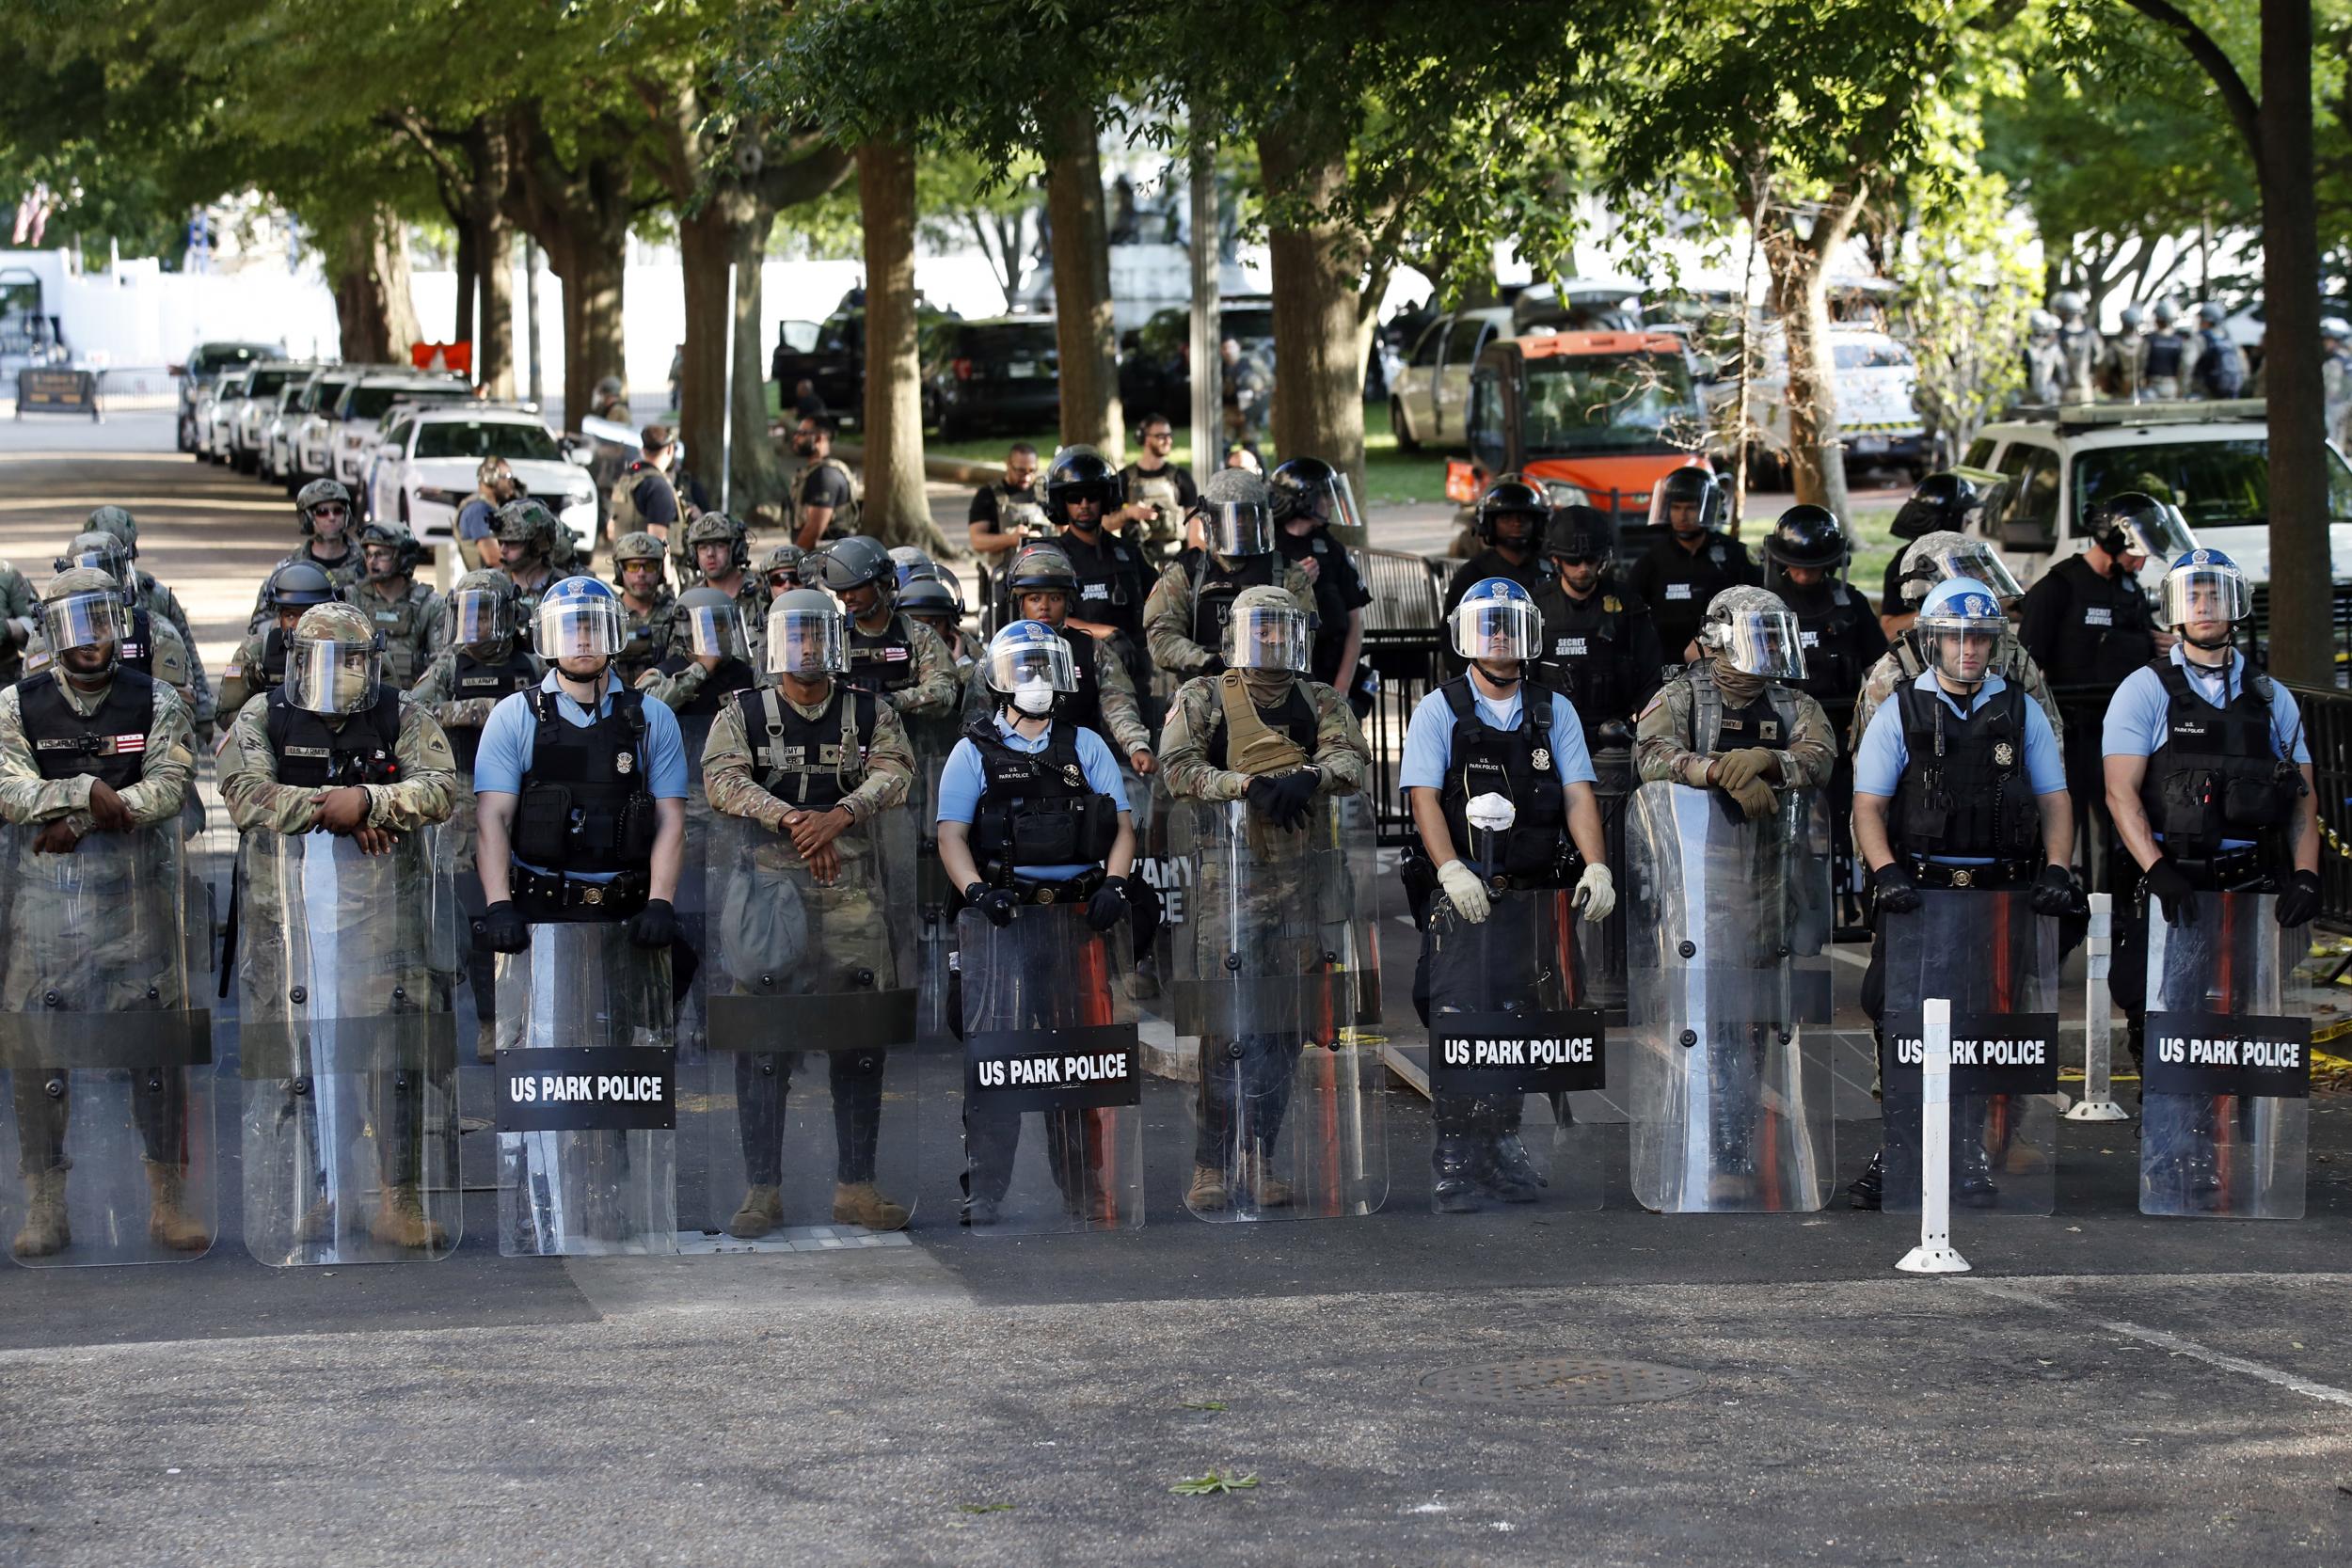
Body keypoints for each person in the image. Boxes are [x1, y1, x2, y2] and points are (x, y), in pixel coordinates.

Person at [217, 601, 460, 1253]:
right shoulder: (263, 714)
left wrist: (377, 799)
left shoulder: (399, 712)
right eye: (324, 660)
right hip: (288, 918)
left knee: (392, 1052)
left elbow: (440, 785)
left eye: (351, 660)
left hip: (380, 918)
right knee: (305, 1057)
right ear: (296, 661)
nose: (339, 673)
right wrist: (340, 810)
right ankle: (333, 1189)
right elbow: (243, 792)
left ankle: (397, 1196)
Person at [1847, 578, 2078, 1209]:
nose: (1969, 649)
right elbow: (1869, 804)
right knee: (1904, 1024)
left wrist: (2058, 867)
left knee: (1987, 1025)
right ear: (1933, 642)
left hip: (2000, 896)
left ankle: (1970, 1149)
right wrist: (1885, 869)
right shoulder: (1901, 708)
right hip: (1920, 896)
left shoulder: (2020, 709)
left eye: (1979, 637)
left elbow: (2055, 797)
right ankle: (1902, 1149)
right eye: (1955, 637)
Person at [700, 589, 918, 1235]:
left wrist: (841, 816)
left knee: (859, 1034)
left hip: (852, 889)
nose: (807, 647)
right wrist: (796, 820)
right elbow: (721, 780)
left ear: (836, 640)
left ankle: (857, 1184)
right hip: (770, 889)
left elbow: (898, 772)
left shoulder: (870, 710)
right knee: (762, 1041)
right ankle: (761, 1189)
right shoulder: (740, 712)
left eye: (818, 635)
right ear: (774, 644)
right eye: (795, 636)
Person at [0, 567, 203, 1259]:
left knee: (154, 1055)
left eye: (102, 621)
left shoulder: (156, 700)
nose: (91, 640)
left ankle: (167, 1201)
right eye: (74, 625)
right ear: (53, 632)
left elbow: (169, 785)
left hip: (138, 906)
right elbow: (8, 787)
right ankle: (46, 1203)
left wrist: (81, 817)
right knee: (39, 1058)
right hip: (46, 914)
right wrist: (87, 790)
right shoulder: (16, 704)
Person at [1398, 578, 1615, 1210]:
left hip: (1534, 896)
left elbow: (1577, 793)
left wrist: (1595, 866)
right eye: (1488, 625)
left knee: (1524, 1021)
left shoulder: (1553, 709)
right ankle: (1457, 1157)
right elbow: (1422, 797)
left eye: (1509, 625)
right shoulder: (1441, 708)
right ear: (1468, 635)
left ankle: (1500, 1147)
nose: (1499, 637)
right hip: (1464, 896)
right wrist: (1449, 870)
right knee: (1464, 1022)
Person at [1155, 584, 1371, 1212]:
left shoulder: (1320, 699)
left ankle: (1263, 1155)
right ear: (1241, 634)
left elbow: (1352, 761)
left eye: (1282, 629)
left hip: (1304, 885)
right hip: (1231, 883)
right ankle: (1210, 1164)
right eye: (1262, 629)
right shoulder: (1205, 697)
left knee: (1285, 1027)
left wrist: (1310, 776)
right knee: (1227, 1030)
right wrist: (1244, 786)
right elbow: (1176, 768)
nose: (1272, 640)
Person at [935, 620, 1143, 1227]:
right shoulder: (972, 750)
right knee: (998, 1056)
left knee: (1078, 1058)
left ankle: (1085, 1187)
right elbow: (951, 834)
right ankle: (987, 1191)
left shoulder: (1086, 744)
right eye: (1024, 669)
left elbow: (1122, 826)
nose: (1035, 682)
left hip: (1077, 919)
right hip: (1003, 921)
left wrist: (1116, 883)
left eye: (1045, 669)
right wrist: (977, 892)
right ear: (1001, 679)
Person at [2102, 547, 2319, 1080]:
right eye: (2192, 596)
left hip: (2249, 885)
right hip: (2173, 884)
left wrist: (2308, 875)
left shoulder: (2270, 698)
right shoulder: (2145, 689)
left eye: (2215, 595)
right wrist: (2156, 870)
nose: (2204, 606)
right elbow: (2120, 795)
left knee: (2242, 1029)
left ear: (2235, 606)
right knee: (2160, 1020)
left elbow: (2303, 802)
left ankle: (2234, 1147)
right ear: (2174, 610)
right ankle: (2171, 1141)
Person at [411, 571, 545, 1032]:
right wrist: (478, 711)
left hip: (530, 796)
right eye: (467, 614)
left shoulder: (532, 665)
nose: (475, 626)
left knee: (531, 901)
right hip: (466, 796)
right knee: (478, 913)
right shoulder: (450, 668)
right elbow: (412, 712)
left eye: (484, 614)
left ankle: (533, 1018)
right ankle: (491, 1021)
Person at [2020, 491, 2173, 885]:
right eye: (2136, 551)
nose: (2140, 562)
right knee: (2072, 824)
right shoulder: (2059, 588)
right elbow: (2028, 667)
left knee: (2119, 823)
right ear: (2113, 539)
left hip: (2124, 733)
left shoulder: (2129, 590)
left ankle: (2116, 902)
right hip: (2074, 732)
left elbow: (2133, 639)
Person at [1853, 531, 2062, 747]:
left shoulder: (2011, 655)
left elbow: (2048, 736)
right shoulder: (1897, 668)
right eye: (1968, 573)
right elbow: (1871, 758)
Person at [1635, 585, 1836, 809]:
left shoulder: (1798, 706)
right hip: (1694, 835)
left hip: (1774, 836)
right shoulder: (1680, 698)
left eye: (1776, 637)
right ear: (1723, 639)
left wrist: (1769, 760)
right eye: (1761, 636)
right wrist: (1718, 773)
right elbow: (1652, 757)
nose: (1772, 646)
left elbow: (1821, 762)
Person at [965, 545, 1154, 776]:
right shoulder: (999, 653)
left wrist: (1136, 746)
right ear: (1020, 603)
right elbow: (977, 715)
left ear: (1068, 602)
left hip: (1081, 764)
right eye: (1035, 598)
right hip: (1010, 767)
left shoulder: (1093, 650)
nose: (1044, 606)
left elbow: (1118, 704)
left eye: (1055, 597)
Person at [1143, 467, 1315, 685]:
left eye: (1246, 516)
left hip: (1270, 690)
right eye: (1232, 518)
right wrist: (1209, 661)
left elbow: (1302, 640)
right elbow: (1161, 637)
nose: (1240, 524)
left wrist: (1247, 665)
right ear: (1210, 522)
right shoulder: (1184, 573)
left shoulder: (1289, 574)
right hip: (1201, 690)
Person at [1531, 504, 1665, 747]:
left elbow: (1651, 675)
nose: (1583, 568)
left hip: (1618, 736)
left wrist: (1641, 726)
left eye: (1591, 559)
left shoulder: (1628, 604)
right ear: (1556, 560)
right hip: (1551, 736)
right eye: (1574, 560)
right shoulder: (1535, 608)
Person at [82, 506, 212, 738]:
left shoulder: (155, 594)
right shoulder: (73, 601)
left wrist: (202, 711)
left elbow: (186, 651)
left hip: (149, 707)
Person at [34, 532, 198, 712]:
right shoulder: (45, 638)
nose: (94, 582)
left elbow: (180, 708)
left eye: (105, 570)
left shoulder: (156, 631)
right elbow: (33, 701)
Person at [1042, 446, 1153, 693]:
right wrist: (1109, 634)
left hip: (1133, 673)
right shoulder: (1052, 557)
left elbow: (1159, 600)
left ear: (1105, 499)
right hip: (1074, 675)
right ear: (1062, 502)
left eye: (1092, 496)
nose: (1084, 505)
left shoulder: (1127, 553)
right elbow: (1044, 619)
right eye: (1074, 498)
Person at [1621, 466, 1759, 664]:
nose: (1682, 516)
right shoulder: (1651, 563)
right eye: (1676, 508)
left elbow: (1761, 610)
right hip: (1669, 670)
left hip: (1728, 666)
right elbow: (1630, 622)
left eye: (1690, 508)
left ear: (1708, 507)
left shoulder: (1735, 556)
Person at [816, 535, 960, 723]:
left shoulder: (918, 635)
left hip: (910, 744)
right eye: (841, 590)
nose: (848, 597)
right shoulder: (832, 637)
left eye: (857, 587)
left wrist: (887, 700)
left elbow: (943, 691)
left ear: (883, 584)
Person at [1270, 455, 1374, 713]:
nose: (1329, 502)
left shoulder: (1331, 549)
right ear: (1303, 499)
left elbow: (1355, 621)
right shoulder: (1268, 547)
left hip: (1331, 675)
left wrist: (1342, 687)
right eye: (1323, 495)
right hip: (1282, 684)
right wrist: (1292, 583)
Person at [1761, 504, 1886, 707]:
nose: (1804, 573)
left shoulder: (1852, 603)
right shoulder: (1762, 604)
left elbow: (1878, 670)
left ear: (1832, 562)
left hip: (1841, 713)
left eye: (1813, 566)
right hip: (1777, 716)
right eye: (1796, 564)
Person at [219, 560, 339, 715]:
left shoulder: (344, 653)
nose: (299, 624)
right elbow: (226, 714)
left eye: (308, 615)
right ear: (279, 617)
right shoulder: (255, 651)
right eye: (290, 616)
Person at [248, 479, 363, 632]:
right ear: (308, 518)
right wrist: (288, 623)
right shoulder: (288, 570)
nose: (331, 517)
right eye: (322, 512)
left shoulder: (367, 564)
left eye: (337, 510)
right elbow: (258, 626)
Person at [1877, 473, 1981, 639]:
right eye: (1965, 513)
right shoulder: (1906, 562)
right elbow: (1889, 631)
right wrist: (1939, 608)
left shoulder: (1965, 557)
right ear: (1950, 517)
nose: (1969, 520)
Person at [344, 519, 443, 690]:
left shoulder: (429, 604)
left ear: (403, 557)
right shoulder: (351, 600)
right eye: (368, 554)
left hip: (413, 701)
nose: (372, 561)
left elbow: (442, 664)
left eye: (381, 554)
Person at [1442, 477, 1551, 621]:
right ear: (1489, 524)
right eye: (1506, 518)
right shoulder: (1472, 575)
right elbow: (1451, 634)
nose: (1516, 523)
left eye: (1524, 517)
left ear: (1537, 524)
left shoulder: (1551, 571)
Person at [1117, 414, 1199, 554]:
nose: (1169, 440)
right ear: (1146, 439)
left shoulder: (1181, 477)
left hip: (1174, 557)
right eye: (1161, 436)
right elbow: (1105, 524)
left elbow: (1195, 524)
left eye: (1169, 435)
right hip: (1135, 559)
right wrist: (1128, 513)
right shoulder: (1124, 478)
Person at [966, 443, 1047, 575]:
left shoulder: (1045, 492)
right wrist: (1011, 539)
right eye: (1020, 470)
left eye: (1031, 470)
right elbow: (977, 540)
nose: (1026, 477)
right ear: (1008, 464)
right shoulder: (988, 495)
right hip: (1005, 575)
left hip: (1047, 571)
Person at [787, 416, 860, 548]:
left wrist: (795, 561)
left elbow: (814, 530)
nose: (796, 438)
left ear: (820, 438)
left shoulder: (825, 476)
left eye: (802, 433)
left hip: (827, 561)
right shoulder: (814, 473)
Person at [611, 531, 674, 685]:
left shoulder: (677, 613)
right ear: (620, 570)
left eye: (649, 566)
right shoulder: (608, 616)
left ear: (659, 570)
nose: (641, 574)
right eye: (632, 566)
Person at [611, 424, 684, 554]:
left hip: (627, 566)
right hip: (649, 569)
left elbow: (611, 530)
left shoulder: (627, 479)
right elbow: (658, 543)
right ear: (670, 450)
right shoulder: (659, 488)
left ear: (642, 450)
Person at [493, 499, 564, 626]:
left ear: (538, 544)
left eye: (512, 542)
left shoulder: (564, 588)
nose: (503, 550)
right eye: (500, 542)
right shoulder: (493, 587)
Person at [456, 456, 518, 572]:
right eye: (508, 477)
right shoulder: (479, 510)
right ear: (491, 479)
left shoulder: (488, 507)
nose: (512, 483)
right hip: (486, 584)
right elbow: (493, 558)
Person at [2186, 302, 2248, 399]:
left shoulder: (2200, 339)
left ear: (2206, 321)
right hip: (2230, 397)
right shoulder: (2231, 342)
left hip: (2204, 396)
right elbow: (2244, 370)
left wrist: (2184, 389)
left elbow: (2187, 363)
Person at [2051, 290, 2098, 404]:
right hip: (2085, 391)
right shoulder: (2091, 334)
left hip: (2063, 392)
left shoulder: (2056, 336)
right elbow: (2099, 358)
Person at [2140, 299, 2190, 400]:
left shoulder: (2150, 340)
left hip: (2153, 385)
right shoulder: (2179, 340)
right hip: (2172, 386)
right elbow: (2184, 366)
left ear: (2158, 319)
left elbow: (2142, 363)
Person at [2022, 309, 2064, 405]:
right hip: (2026, 399)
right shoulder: (2024, 350)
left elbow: (2062, 374)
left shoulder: (2053, 350)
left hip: (2049, 398)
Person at [2323, 317, 2352, 455]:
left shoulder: (2336, 361)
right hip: (2343, 406)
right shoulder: (2347, 358)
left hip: (2335, 408)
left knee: (2334, 443)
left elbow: (2332, 391)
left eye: (2328, 339)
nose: (2325, 343)